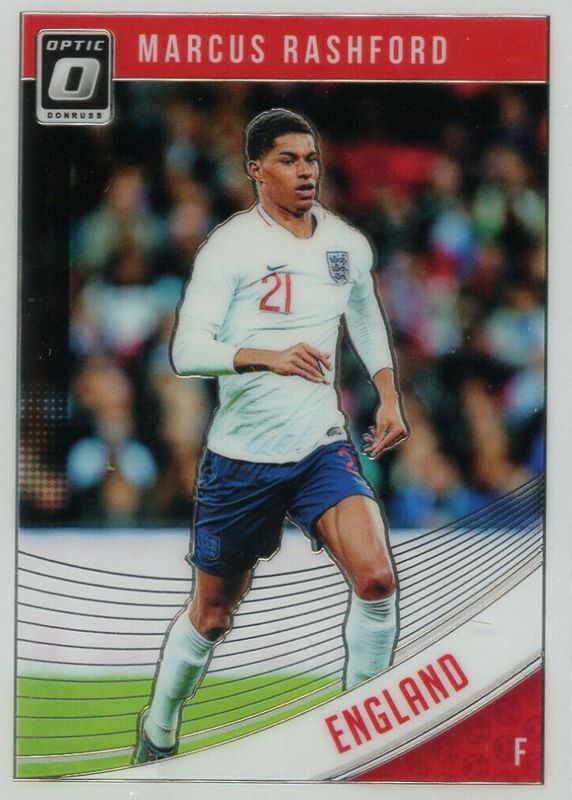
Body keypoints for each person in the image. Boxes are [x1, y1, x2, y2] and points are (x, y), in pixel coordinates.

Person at [133, 108, 409, 763]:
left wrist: (389, 393)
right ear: (256, 169)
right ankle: (159, 730)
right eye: (289, 160)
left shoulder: (345, 245)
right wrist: (266, 356)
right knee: (212, 616)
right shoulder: (230, 247)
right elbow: (186, 351)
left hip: (319, 447)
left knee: (376, 580)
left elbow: (364, 315)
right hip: (241, 460)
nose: (306, 171)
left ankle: (362, 747)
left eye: (311, 158)